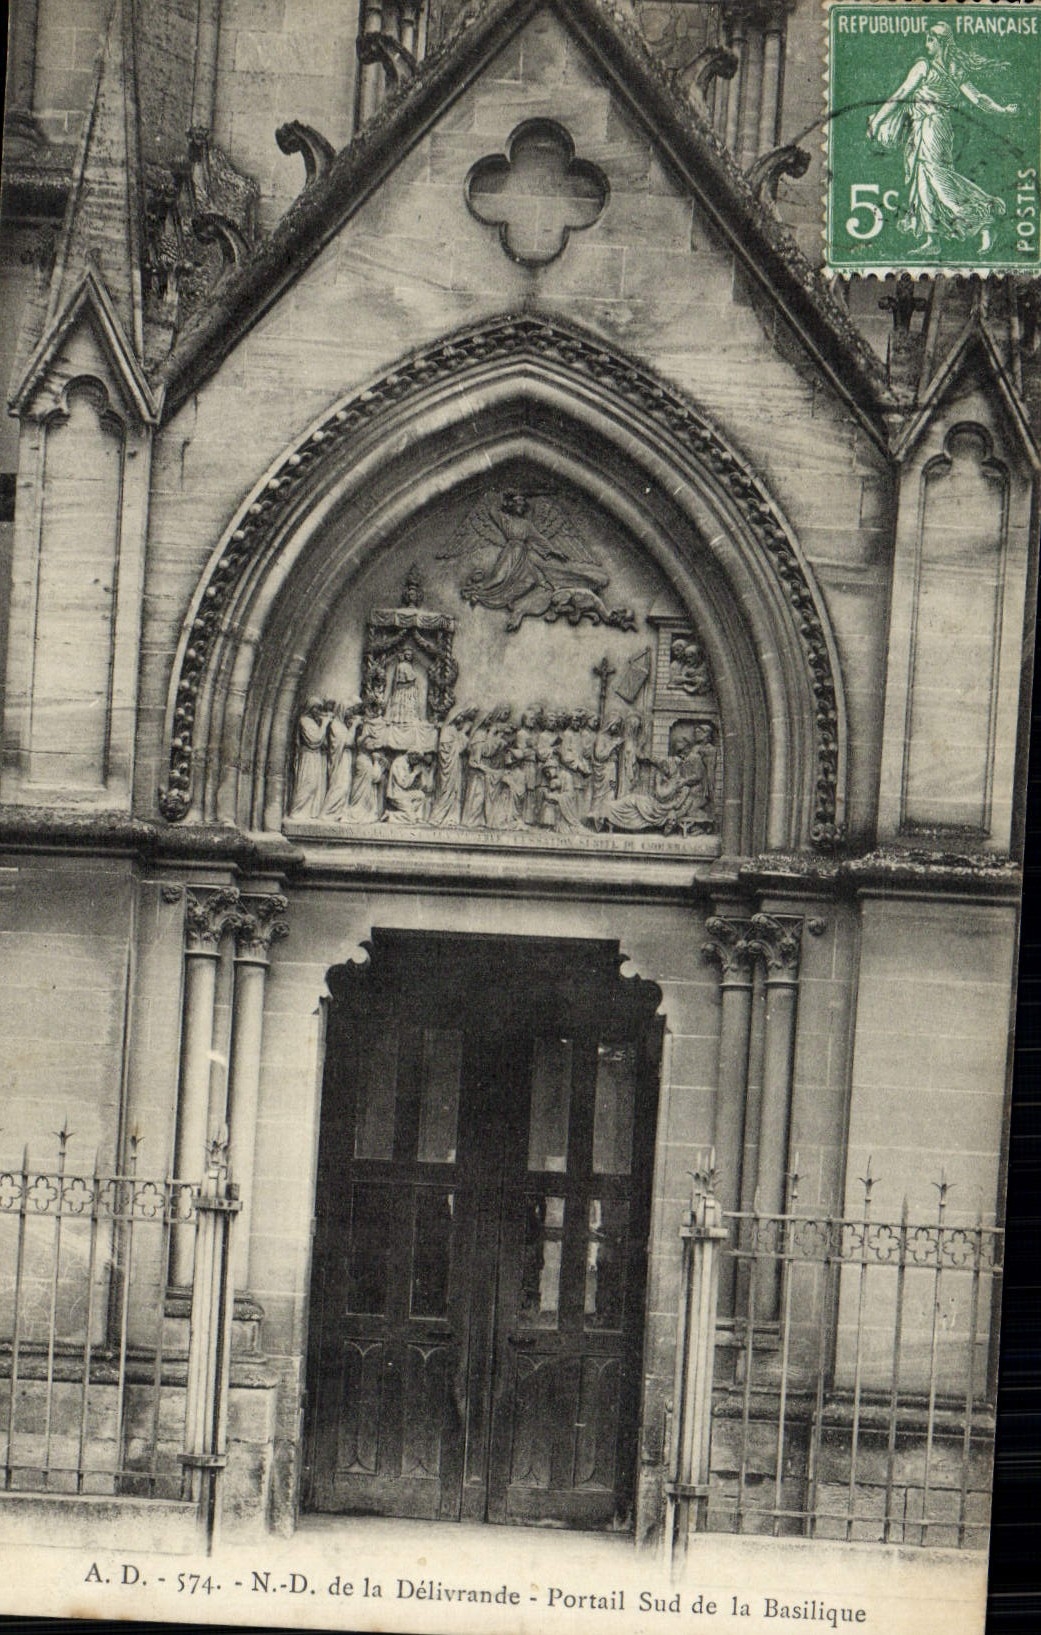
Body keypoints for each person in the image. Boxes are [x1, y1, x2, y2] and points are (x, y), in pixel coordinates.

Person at [867, 23, 1017, 255]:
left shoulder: (923, 67)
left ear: (940, 42)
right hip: (932, 128)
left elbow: (900, 95)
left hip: (931, 127)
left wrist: (877, 121)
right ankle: (932, 239)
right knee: (923, 180)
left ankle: (985, 217)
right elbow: (979, 99)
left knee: (938, 179)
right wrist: (1002, 110)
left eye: (930, 39)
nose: (926, 44)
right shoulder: (955, 69)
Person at [428, 706, 477, 826]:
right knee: (447, 790)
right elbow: (448, 751)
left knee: (456, 790)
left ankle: (452, 817)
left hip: (456, 765)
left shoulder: (453, 730)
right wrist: (464, 736)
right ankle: (438, 817)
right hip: (449, 768)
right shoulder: (448, 730)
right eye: (459, 716)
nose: (461, 719)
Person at [287, 698, 333, 819]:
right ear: (310, 708)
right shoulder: (304, 721)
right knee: (308, 783)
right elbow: (315, 740)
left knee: (316, 785)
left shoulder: (313, 722)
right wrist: (324, 724)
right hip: (308, 757)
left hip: (316, 756)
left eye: (319, 708)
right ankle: (297, 810)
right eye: (316, 708)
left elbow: (323, 742)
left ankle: (309, 812)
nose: (318, 711)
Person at [320, 701, 362, 821]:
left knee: (346, 785)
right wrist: (354, 726)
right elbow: (347, 742)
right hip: (340, 759)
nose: (350, 713)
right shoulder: (336, 725)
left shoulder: (342, 725)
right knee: (340, 786)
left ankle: (338, 812)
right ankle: (327, 812)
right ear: (341, 710)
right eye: (348, 710)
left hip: (346, 758)